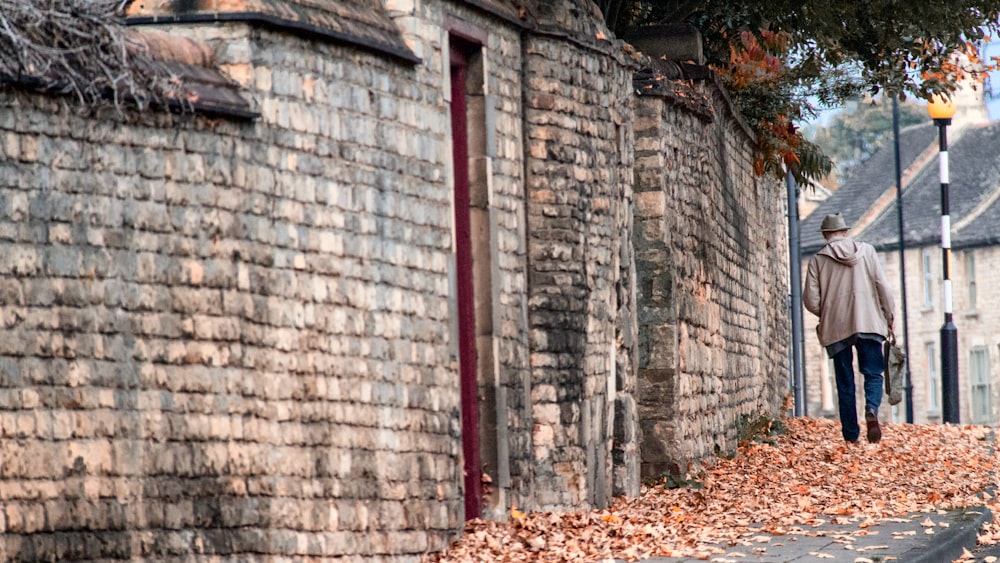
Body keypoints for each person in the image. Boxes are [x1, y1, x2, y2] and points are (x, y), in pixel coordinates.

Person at [803, 213, 895, 443]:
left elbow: (811, 301)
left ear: (825, 235)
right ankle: (871, 409)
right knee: (873, 372)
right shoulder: (867, 252)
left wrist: (829, 312)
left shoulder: (817, 260)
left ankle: (851, 435)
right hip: (869, 322)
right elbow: (883, 286)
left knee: (845, 381)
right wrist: (889, 316)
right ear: (845, 231)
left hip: (837, 327)